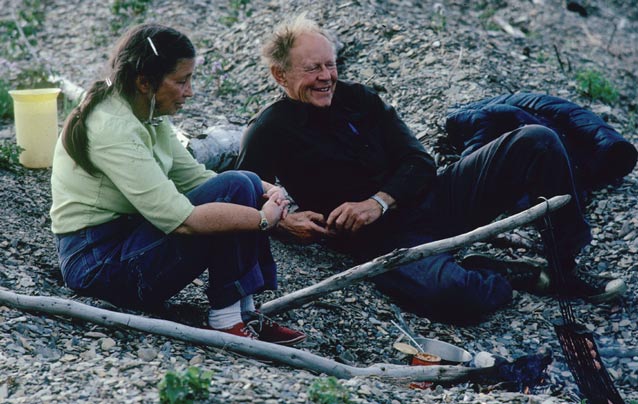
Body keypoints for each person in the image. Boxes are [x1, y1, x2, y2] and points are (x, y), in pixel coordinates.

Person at [235, 14, 627, 322]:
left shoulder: (359, 100)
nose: (325, 78)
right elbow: (245, 190)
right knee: (458, 297)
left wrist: (379, 200)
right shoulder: (269, 128)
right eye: (312, 70)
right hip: (382, 244)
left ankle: (563, 264)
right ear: (280, 75)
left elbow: (420, 161)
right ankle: (499, 272)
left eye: (330, 65)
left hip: (436, 201)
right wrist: (284, 222)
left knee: (536, 139)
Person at [50, 23, 305, 345]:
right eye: (182, 81)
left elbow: (196, 178)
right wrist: (264, 218)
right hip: (99, 265)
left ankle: (243, 312)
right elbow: (182, 221)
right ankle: (226, 319)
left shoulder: (146, 112)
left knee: (242, 183)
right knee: (239, 186)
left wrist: (264, 188)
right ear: (145, 82)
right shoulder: (113, 128)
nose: (190, 91)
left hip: (129, 240)